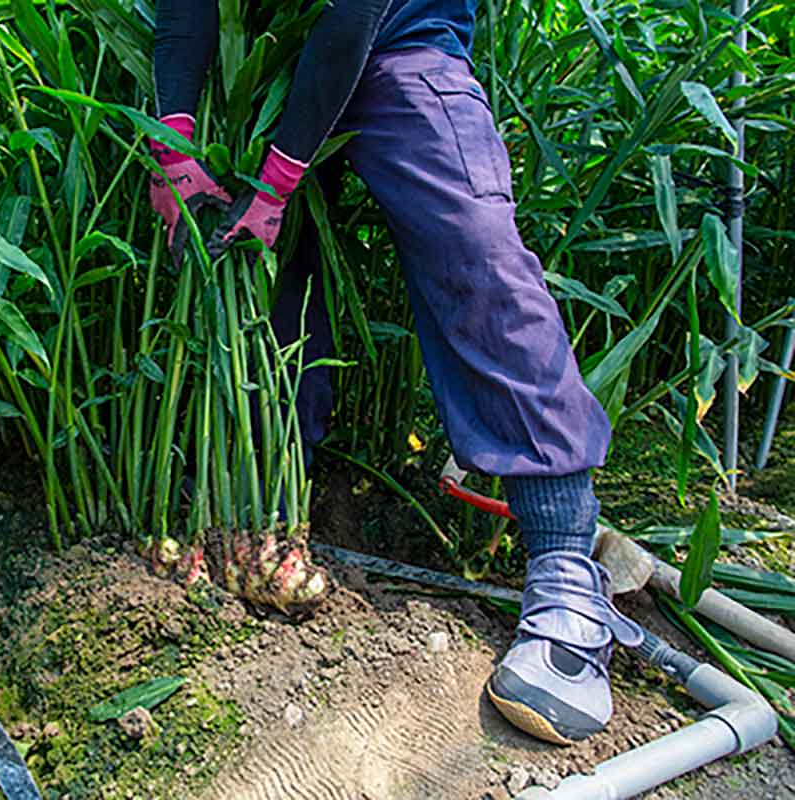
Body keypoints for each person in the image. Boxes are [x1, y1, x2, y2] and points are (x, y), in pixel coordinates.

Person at [146, 0, 645, 747]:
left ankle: (565, 568)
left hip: (397, 41)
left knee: (476, 257)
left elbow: (351, 18)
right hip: (258, 52)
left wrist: (281, 178)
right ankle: (254, 521)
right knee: (253, 270)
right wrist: (173, 143)